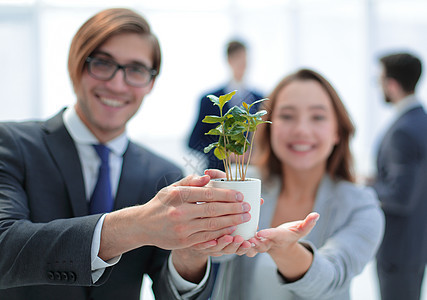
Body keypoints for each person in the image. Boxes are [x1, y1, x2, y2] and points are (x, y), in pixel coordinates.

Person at [0, 8, 255, 300]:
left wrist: (191, 254)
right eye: (102, 63)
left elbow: (170, 291)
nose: (117, 84)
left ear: (151, 82)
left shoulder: (163, 175)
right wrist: (136, 225)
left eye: (136, 70)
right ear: (76, 65)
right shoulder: (11, 144)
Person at [206, 68, 385, 299]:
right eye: (287, 116)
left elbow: (333, 276)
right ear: (268, 127)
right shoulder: (242, 186)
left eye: (318, 117)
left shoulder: (360, 206)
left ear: (337, 132)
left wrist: (287, 251)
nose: (301, 129)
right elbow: (214, 255)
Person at [373, 52, 427, 300]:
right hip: (415, 239)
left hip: (399, 246)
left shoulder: (402, 131)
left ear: (392, 85)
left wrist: (363, 189)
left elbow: (400, 195)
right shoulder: (420, 121)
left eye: (379, 80)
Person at [188, 40, 264, 171]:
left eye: (245, 61)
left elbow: (265, 137)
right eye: (238, 60)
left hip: (251, 173)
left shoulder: (260, 99)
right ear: (229, 60)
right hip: (218, 173)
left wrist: (255, 155)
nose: (243, 65)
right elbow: (194, 141)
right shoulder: (210, 100)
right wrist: (224, 154)